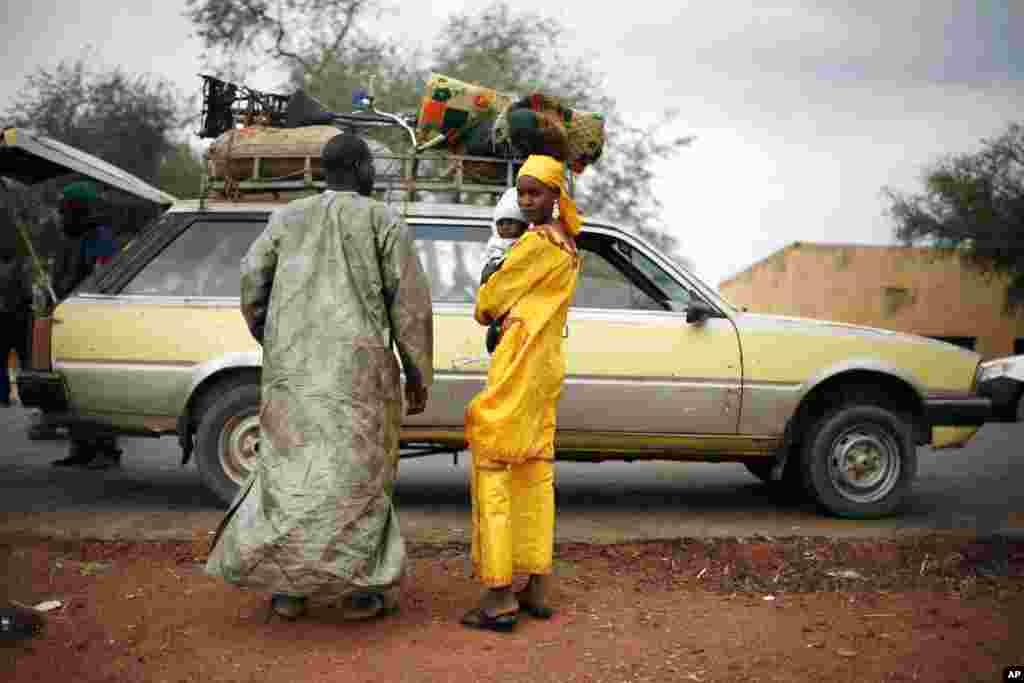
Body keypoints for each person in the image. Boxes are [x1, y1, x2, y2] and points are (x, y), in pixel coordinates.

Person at [205, 133, 434, 622]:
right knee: (358, 481)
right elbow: (409, 307)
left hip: (295, 375)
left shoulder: (287, 218)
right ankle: (359, 593)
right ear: (361, 169)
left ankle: (289, 590)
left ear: (324, 171)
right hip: (361, 379)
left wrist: (277, 338)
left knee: (292, 477)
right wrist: (417, 373)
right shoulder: (383, 221)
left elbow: (252, 282)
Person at [462, 154, 582, 631]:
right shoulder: (571, 245)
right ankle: (536, 584)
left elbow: (489, 302)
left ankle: (497, 595)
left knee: (492, 464)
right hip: (548, 367)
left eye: (535, 192)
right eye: (523, 191)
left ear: (557, 196)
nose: (527, 199)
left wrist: (488, 299)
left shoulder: (534, 243)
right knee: (535, 471)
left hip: (519, 362)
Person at [43, 180, 123, 468]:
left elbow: (100, 278)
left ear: (80, 211)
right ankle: (82, 448)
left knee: (95, 387)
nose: (62, 217)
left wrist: (68, 288)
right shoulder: (70, 239)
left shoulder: (100, 238)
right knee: (71, 387)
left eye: (66, 211)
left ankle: (105, 449)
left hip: (94, 322)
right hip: (70, 320)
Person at [481, 187, 529, 353]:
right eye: (501, 223)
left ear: (523, 225)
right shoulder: (495, 245)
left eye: (510, 222)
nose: (505, 227)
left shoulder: (528, 243)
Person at [0, 245, 31, 406]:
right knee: (25, 360)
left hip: (2, 321)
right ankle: (27, 396)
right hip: (19, 320)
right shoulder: (19, 271)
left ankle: (3, 397)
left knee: (1, 361)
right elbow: (28, 294)